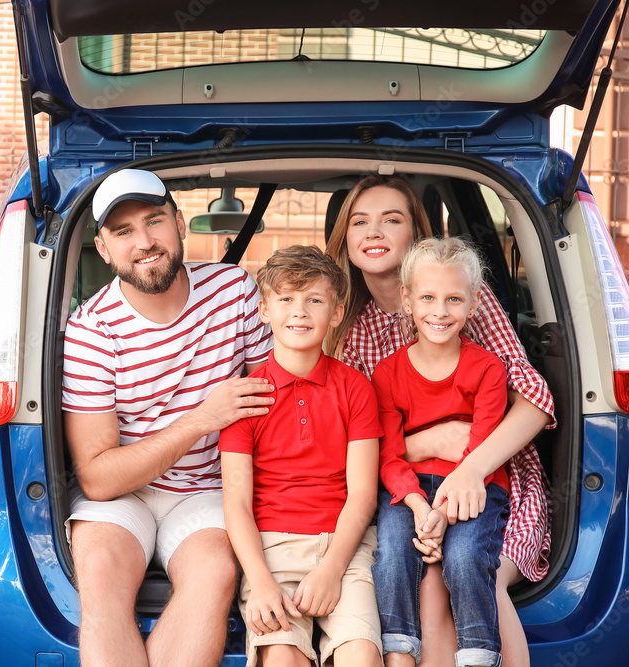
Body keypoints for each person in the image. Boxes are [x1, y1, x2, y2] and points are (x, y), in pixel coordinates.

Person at [324, 174, 555, 667]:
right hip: (404, 485)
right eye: (360, 221)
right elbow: (356, 444)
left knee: (474, 569)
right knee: (420, 575)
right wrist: (433, 438)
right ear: (345, 236)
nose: (374, 231)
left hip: (496, 474)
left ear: (417, 236)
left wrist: (470, 467)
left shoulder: (463, 297)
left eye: (393, 219)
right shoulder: (349, 327)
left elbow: (534, 398)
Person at [61, 168, 275, 666]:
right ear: (104, 248)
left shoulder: (234, 292)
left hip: (205, 488)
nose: (144, 242)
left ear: (180, 223)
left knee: (217, 571)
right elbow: (97, 477)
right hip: (123, 493)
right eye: (123, 232)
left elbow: (275, 400)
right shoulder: (92, 331)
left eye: (154, 221)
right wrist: (201, 420)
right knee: (99, 573)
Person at [220, 245, 384, 667]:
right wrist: (258, 580)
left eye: (314, 300)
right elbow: (236, 504)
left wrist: (331, 568)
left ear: (335, 313)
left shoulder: (355, 388)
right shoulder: (245, 396)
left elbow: (363, 494)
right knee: (280, 657)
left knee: (362, 655)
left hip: (345, 548)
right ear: (263, 310)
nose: (300, 311)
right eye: (286, 299)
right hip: (271, 550)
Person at [372, 237, 511, 667]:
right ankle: (398, 649)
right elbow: (390, 457)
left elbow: (481, 449)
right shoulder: (388, 372)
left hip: (474, 485)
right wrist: (417, 504)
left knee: (467, 555)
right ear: (407, 301)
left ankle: (478, 655)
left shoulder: (488, 368)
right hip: (408, 490)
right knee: (393, 549)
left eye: (454, 299)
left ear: (472, 306)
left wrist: (443, 514)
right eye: (428, 297)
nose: (440, 311)